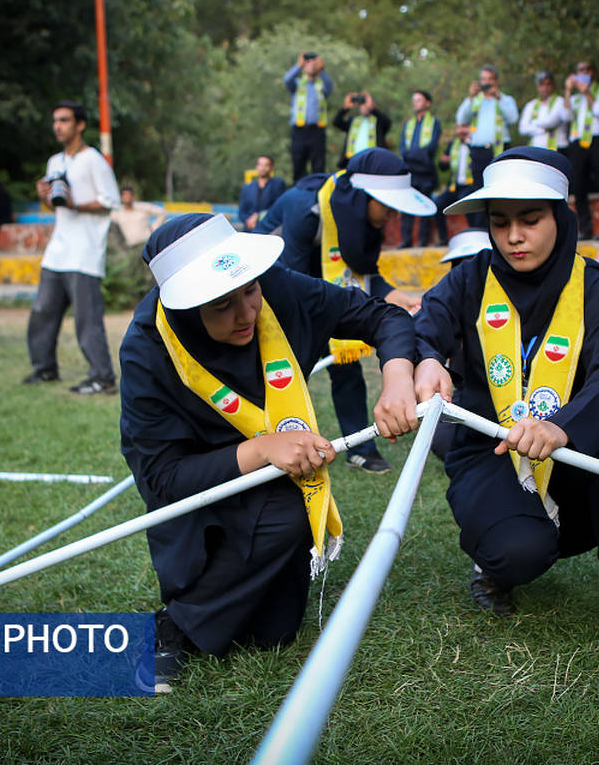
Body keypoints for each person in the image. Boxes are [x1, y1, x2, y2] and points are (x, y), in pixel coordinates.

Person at [119, 213, 418, 692]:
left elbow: (381, 315)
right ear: (185, 309)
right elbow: (161, 480)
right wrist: (259, 450)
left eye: (249, 291)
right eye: (221, 305)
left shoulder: (273, 287)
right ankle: (172, 626)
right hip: (204, 501)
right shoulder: (147, 349)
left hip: (280, 481)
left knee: (273, 633)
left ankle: (224, 600)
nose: (246, 313)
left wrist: (399, 374)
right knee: (288, 515)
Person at [414, 146, 599, 663]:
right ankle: (496, 560)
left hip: (569, 453)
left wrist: (562, 427)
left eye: (530, 219)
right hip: (491, 452)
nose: (514, 236)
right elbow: (428, 322)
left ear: (563, 215)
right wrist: (426, 359)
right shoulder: (471, 277)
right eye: (500, 222)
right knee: (518, 554)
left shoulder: (596, 286)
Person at [254, 148, 434, 473]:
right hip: (273, 282)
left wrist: (395, 295)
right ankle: (264, 441)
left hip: (320, 282)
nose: (394, 217)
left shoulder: (359, 217)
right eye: (389, 207)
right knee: (286, 366)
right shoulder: (305, 208)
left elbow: (361, 270)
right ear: (363, 196)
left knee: (345, 361)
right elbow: (289, 285)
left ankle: (359, 448)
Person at [23, 100, 121, 395]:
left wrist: (76, 204)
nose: (58, 126)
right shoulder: (55, 162)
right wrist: (44, 196)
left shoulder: (94, 160)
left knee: (86, 318)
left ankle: (102, 377)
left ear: (79, 125)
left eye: (64, 120)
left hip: (85, 254)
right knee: (42, 311)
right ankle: (45, 369)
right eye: (55, 120)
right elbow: (56, 205)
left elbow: (110, 201)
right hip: (58, 251)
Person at [429, 228, 493, 461]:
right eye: (460, 265)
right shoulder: (448, 306)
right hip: (468, 396)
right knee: (443, 440)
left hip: (516, 397)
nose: (469, 272)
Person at [455, 65, 519, 226]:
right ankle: (480, 229)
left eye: (490, 79)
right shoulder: (475, 100)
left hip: (499, 149)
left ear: (496, 81)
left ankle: (501, 224)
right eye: (483, 80)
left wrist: (498, 98)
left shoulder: (505, 99)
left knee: (500, 189)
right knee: (478, 190)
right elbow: (461, 118)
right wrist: (469, 97)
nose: (487, 83)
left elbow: (513, 118)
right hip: (477, 151)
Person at [563, 60, 599, 236]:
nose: (584, 72)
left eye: (587, 69)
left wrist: (587, 93)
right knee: (578, 186)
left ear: (593, 72)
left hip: (598, 140)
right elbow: (565, 116)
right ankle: (585, 229)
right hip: (578, 142)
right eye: (580, 70)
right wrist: (568, 91)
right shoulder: (575, 97)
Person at [398, 90, 442, 247]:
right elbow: (402, 149)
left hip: (426, 171)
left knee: (424, 206)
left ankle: (423, 240)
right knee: (406, 206)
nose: (415, 102)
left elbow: (431, 148)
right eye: (413, 99)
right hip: (410, 171)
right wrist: (415, 155)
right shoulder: (408, 124)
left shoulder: (434, 123)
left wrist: (413, 155)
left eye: (419, 99)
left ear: (427, 103)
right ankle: (406, 240)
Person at [284, 52, 333, 180]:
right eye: (308, 63)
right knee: (298, 165)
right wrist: (299, 65)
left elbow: (330, 86)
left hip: (317, 131)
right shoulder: (297, 83)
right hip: (299, 131)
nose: (311, 66)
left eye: (313, 63)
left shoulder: (322, 85)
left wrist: (321, 69)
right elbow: (286, 80)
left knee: (318, 166)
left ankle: (317, 195)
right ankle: (299, 195)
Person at [433, 124, 479, 243]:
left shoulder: (476, 144)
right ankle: (443, 238)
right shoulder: (453, 145)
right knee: (438, 204)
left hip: (470, 186)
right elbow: (443, 167)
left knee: (466, 201)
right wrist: (444, 162)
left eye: (464, 127)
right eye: (458, 127)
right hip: (454, 186)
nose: (460, 131)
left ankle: (476, 236)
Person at [333, 90, 391, 170]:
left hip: (373, 162)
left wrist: (373, 109)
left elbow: (387, 123)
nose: (363, 107)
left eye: (365, 104)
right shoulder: (353, 121)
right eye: (362, 104)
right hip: (352, 160)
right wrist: (345, 109)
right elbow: (336, 122)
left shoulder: (378, 122)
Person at [519, 71, 568, 151]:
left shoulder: (560, 101)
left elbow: (551, 122)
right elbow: (523, 129)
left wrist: (533, 123)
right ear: (537, 86)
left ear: (553, 85)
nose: (545, 88)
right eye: (542, 84)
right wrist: (542, 130)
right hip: (537, 147)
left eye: (548, 84)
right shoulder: (531, 105)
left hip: (558, 147)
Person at [236, 157, 285, 233]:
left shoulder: (278, 185)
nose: (263, 168)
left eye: (266, 165)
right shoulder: (247, 188)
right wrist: (248, 221)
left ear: (271, 167)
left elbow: (278, 208)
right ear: (257, 167)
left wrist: (258, 217)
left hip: (269, 230)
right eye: (260, 165)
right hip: (249, 230)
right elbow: (242, 212)